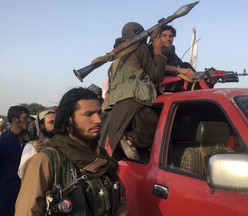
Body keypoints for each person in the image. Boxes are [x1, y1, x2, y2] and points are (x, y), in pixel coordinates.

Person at [15, 87, 127, 216]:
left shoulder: (100, 155)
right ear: (69, 119)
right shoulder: (45, 161)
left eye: (99, 113)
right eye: (89, 114)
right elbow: (27, 211)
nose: (98, 120)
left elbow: (120, 197)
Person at [106, 22, 167, 160]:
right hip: (135, 99)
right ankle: (130, 139)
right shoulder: (139, 48)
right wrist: (158, 51)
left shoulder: (117, 57)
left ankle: (128, 140)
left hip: (118, 101)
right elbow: (157, 75)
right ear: (134, 34)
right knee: (160, 129)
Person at [0, 105, 30, 216]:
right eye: (25, 118)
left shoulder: (29, 140)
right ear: (14, 120)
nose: (28, 121)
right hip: (7, 197)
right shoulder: (3, 142)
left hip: (23, 194)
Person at [18, 109, 56, 178]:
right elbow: (21, 173)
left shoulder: (62, 142)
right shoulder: (32, 146)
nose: (55, 125)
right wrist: (35, 152)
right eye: (51, 122)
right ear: (42, 126)